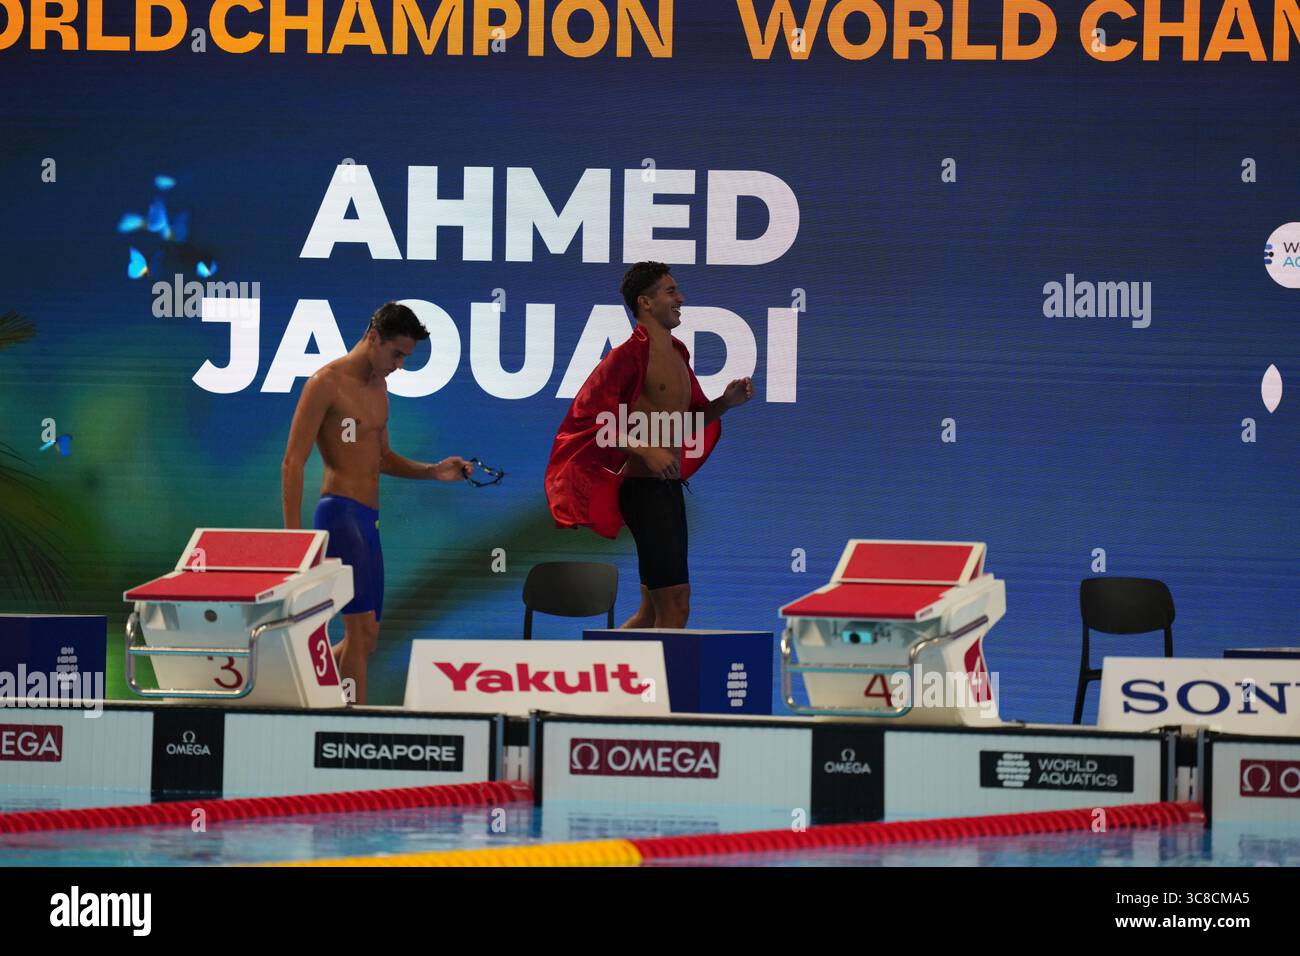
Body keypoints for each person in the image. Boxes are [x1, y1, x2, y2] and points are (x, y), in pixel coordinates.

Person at [281, 301, 472, 704]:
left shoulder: (380, 388)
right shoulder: (325, 383)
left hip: (368, 519)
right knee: (357, 632)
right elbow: (293, 461)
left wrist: (434, 471)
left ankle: (285, 683)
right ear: (373, 338)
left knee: (366, 641)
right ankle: (354, 727)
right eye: (396, 353)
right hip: (339, 514)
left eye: (406, 356)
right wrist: (292, 539)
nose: (400, 364)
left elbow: (380, 457)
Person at [545, 262, 753, 628]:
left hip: (667, 490)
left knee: (652, 612)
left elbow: (683, 424)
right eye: (671, 291)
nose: (681, 298)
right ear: (645, 302)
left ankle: (600, 676)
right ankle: (658, 687)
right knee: (676, 605)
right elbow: (591, 423)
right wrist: (645, 449)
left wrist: (724, 403)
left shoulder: (677, 354)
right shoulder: (624, 357)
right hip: (643, 492)